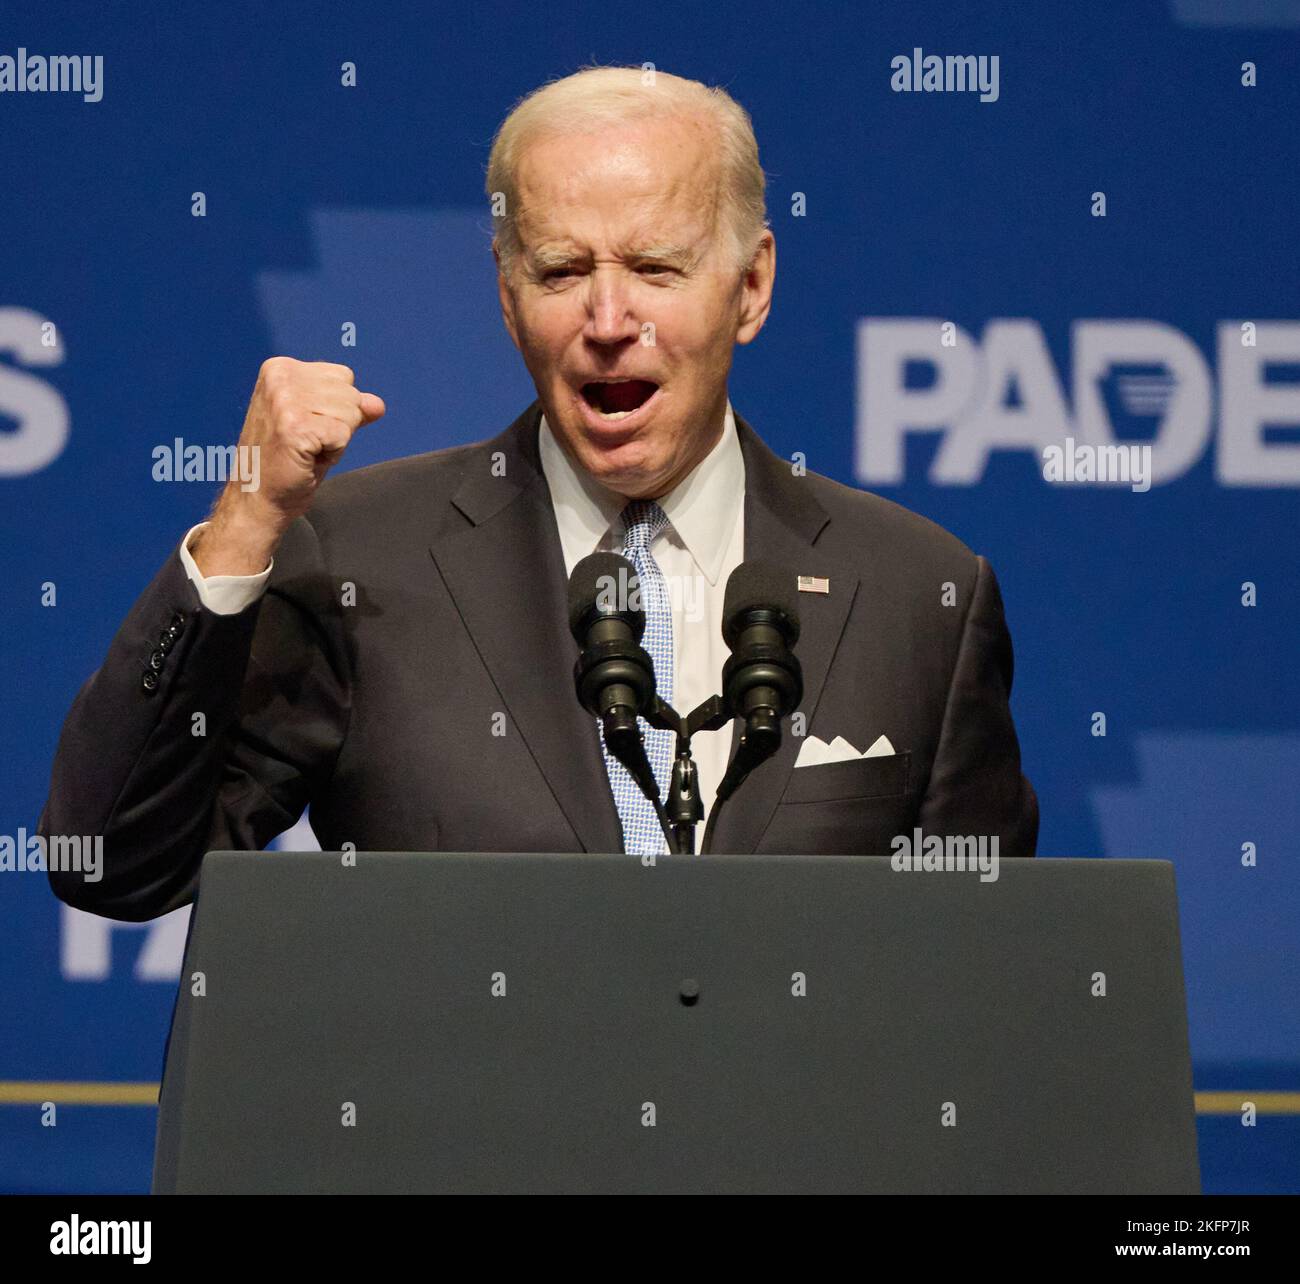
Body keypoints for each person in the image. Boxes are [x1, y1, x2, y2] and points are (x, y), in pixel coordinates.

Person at [40, 65, 1037, 922]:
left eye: (656, 266)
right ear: (506, 293)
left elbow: (992, 984)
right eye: (561, 270)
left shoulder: (919, 594)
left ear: (751, 286)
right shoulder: (354, 563)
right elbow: (119, 866)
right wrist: (243, 526)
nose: (608, 317)